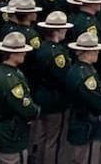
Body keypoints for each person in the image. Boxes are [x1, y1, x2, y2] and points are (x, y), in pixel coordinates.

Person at [0, 31, 40, 164]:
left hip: (2, 129)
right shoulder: (11, 80)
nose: (24, 53)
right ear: (12, 54)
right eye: (21, 51)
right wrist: (36, 111)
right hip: (12, 133)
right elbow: (25, 108)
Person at [65, 32, 101, 164]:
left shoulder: (78, 69)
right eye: (95, 50)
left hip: (80, 121)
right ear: (87, 52)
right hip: (86, 124)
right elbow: (94, 100)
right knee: (86, 158)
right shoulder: (85, 74)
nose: (98, 52)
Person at [33, 10, 73, 164]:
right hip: (56, 99)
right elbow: (65, 76)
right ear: (57, 31)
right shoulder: (57, 54)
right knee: (55, 141)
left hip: (43, 95)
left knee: (44, 136)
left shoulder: (43, 47)